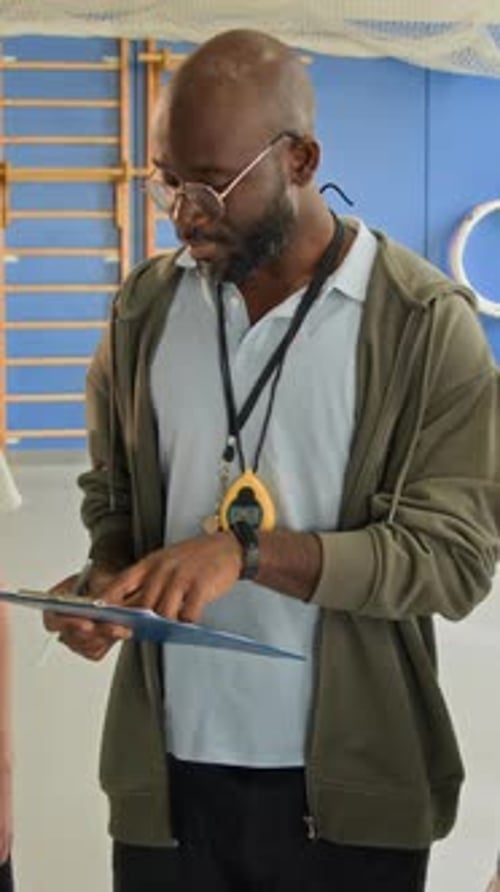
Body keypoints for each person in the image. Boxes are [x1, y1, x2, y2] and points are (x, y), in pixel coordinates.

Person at [44, 28, 500, 892]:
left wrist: (250, 554)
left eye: (211, 184)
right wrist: (107, 583)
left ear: (300, 159)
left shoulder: (419, 325)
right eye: (166, 180)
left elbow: (455, 561)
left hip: (349, 797)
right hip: (166, 791)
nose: (182, 213)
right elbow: (114, 497)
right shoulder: (143, 311)